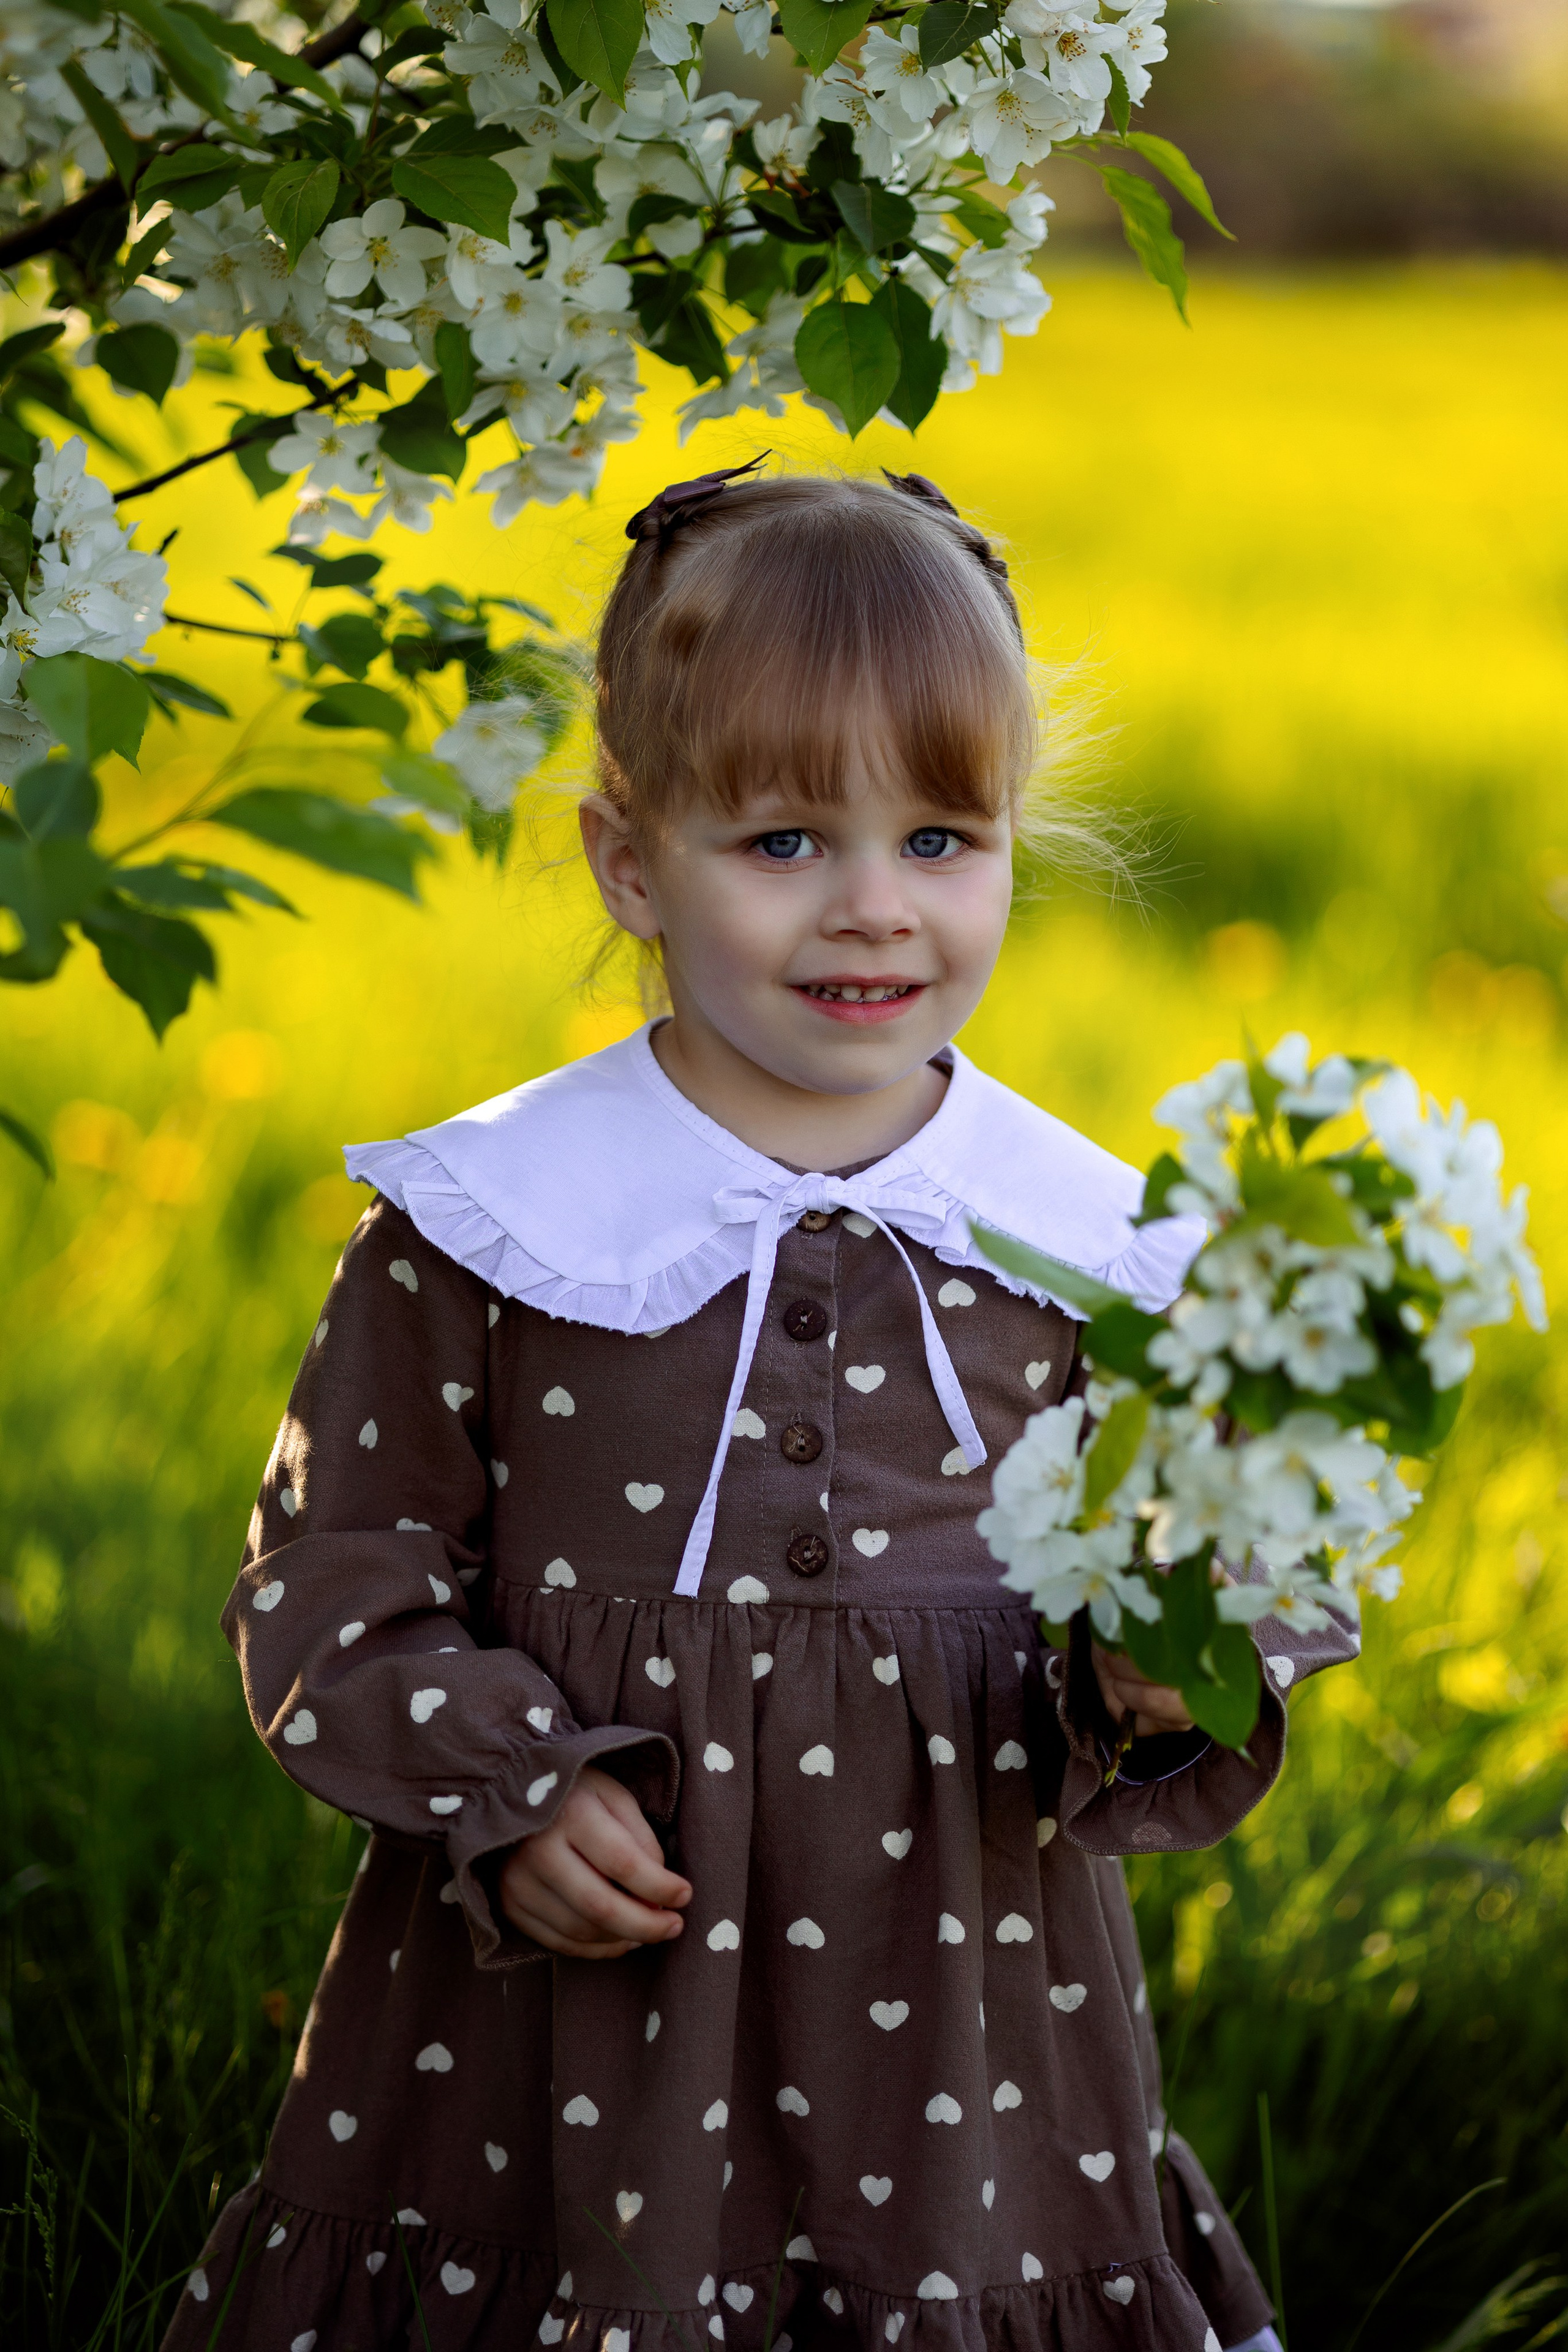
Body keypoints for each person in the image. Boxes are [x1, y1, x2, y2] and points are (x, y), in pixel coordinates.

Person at [164, 466, 1343, 2352]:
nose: (876, 910)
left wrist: (1163, 1655)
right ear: (630, 858)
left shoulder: (1086, 1245)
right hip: (559, 2016)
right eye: (786, 842)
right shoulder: (490, 1227)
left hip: (957, 2018)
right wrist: (511, 1787)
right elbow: (331, 1578)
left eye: (945, 838)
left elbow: (1201, 1571)